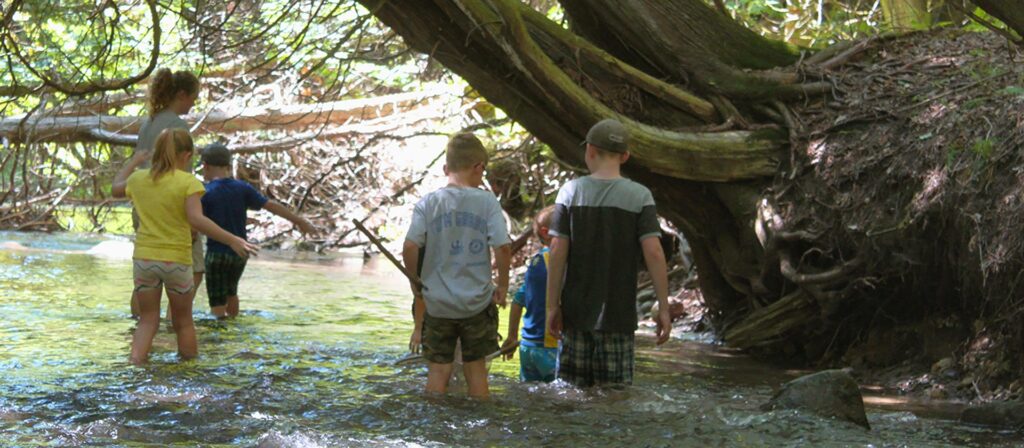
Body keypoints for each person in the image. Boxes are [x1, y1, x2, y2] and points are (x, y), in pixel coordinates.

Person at [112, 128, 258, 364]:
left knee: (147, 320)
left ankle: (135, 365)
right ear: (187, 155)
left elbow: (115, 187)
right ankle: (189, 369)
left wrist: (134, 162)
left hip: (144, 261)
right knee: (183, 322)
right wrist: (232, 238)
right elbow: (196, 220)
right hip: (176, 262)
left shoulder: (138, 180)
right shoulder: (188, 183)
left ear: (156, 153)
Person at [545, 118, 672, 388]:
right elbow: (654, 252)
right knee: (615, 399)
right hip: (619, 317)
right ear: (625, 156)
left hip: (575, 316)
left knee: (570, 395)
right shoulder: (640, 196)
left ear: (589, 150)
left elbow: (556, 250)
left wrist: (551, 306)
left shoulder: (571, 192)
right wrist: (663, 306)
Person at [402, 132, 512, 399]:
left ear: (445, 168)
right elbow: (503, 246)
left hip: (438, 304)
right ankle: (479, 430)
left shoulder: (428, 202)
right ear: (478, 168)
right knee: (476, 373)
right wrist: (503, 285)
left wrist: (417, 286)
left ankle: (433, 430)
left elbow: (409, 247)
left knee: (438, 373)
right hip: (476, 303)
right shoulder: (486, 202)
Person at [199, 142, 318, 319]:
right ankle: (233, 323)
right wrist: (298, 221)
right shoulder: (242, 188)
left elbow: (200, 222)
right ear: (229, 166)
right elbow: (270, 205)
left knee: (217, 300)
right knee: (232, 292)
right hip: (240, 253)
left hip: (217, 252)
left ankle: (219, 336)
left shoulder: (205, 192)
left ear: (206, 166)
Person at [130, 68, 204, 319]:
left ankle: (140, 326)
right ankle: (177, 325)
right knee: (194, 269)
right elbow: (184, 173)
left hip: (145, 207)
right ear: (182, 94)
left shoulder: (148, 122)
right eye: (193, 97)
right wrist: (193, 223)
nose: (194, 103)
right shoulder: (177, 126)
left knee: (146, 275)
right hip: (173, 207)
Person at [501, 205, 559, 382]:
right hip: (550, 347)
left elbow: (518, 300)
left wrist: (512, 337)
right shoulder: (558, 263)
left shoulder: (536, 262)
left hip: (528, 347)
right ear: (547, 232)